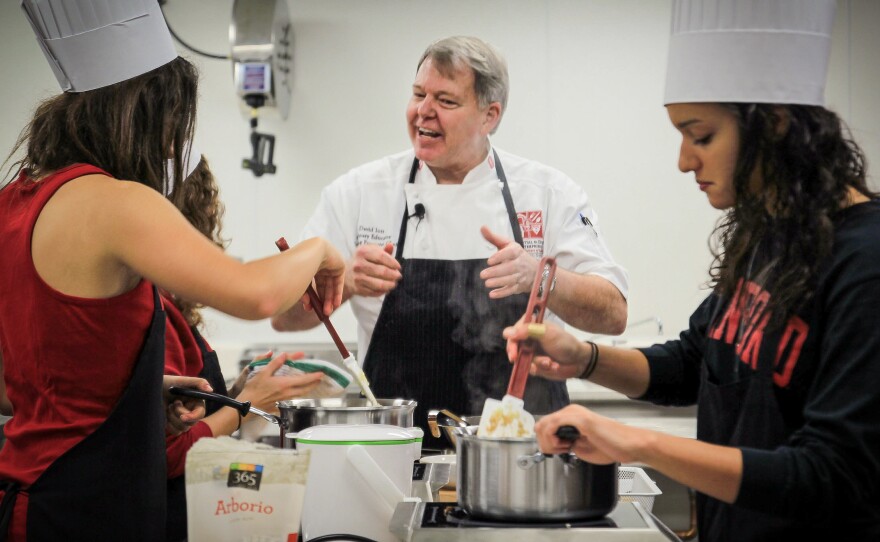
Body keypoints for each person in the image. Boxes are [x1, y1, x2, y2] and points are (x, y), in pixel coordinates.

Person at [505, 0, 880, 539]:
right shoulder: (768, 236)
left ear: (774, 127)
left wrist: (631, 442)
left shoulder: (863, 261)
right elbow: (693, 364)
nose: (685, 160)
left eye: (701, 135)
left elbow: (832, 473)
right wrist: (582, 357)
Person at [0, 2, 344, 540]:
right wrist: (320, 248)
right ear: (146, 111)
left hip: (28, 499)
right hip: (92, 506)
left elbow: (15, 383)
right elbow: (255, 294)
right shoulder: (115, 202)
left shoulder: (16, 200)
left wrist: (137, 395)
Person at [272, 36, 628, 448]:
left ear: (489, 115)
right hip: (397, 451)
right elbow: (283, 315)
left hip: (523, 452)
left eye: (446, 100)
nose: (423, 111)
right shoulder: (359, 193)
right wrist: (347, 280)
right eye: (418, 94)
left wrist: (540, 278)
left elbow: (613, 313)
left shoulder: (547, 193)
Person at [161, 151, 325, 542]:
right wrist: (246, 408)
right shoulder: (153, 310)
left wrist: (238, 393)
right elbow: (170, 454)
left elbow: (180, 412)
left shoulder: (166, 303)